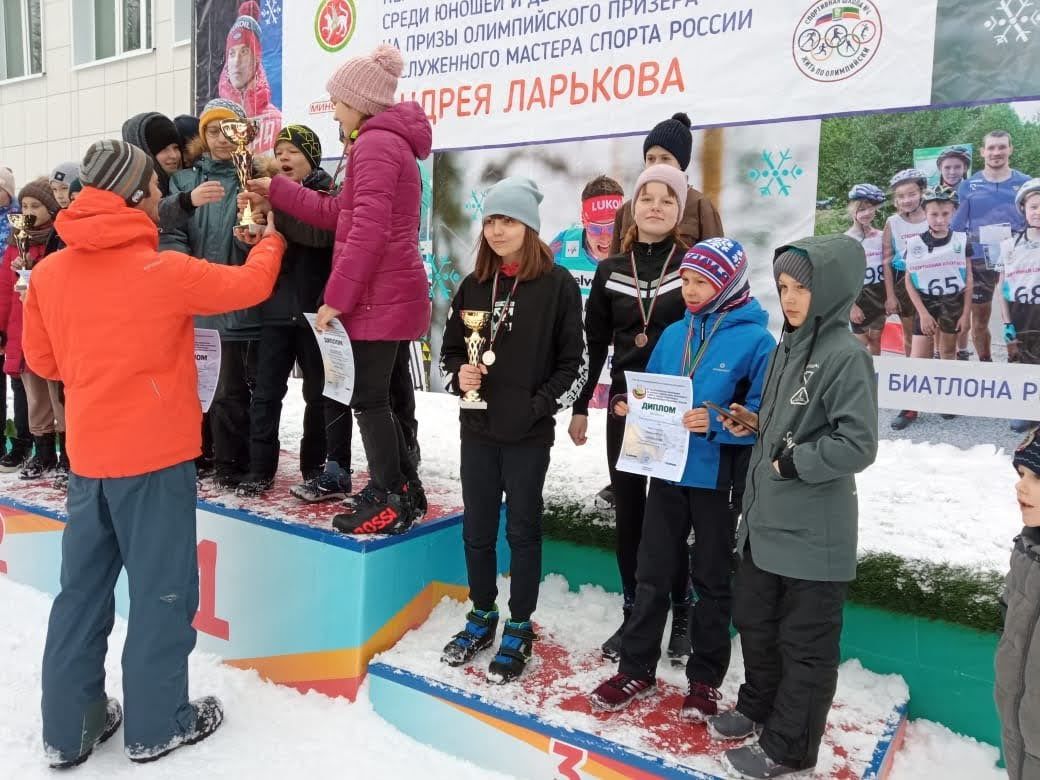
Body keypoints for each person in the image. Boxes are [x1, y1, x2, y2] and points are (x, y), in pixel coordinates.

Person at [24, 139, 285, 767]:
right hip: (155, 460)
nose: (164, 196)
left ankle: (70, 728)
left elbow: (42, 361)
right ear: (136, 195)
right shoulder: (162, 271)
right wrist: (268, 238)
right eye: (156, 188)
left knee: (80, 594)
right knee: (163, 593)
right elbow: (250, 286)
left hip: (88, 460)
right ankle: (157, 723)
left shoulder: (52, 272)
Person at [707, 237, 879, 779]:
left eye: (802, 288)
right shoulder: (787, 346)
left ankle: (789, 747)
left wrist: (792, 462)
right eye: (783, 288)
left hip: (812, 536)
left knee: (804, 646)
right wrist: (754, 425)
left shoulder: (846, 356)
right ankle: (758, 706)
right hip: (763, 523)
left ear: (828, 289)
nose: (791, 299)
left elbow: (858, 445)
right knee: (755, 623)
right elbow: (789, 426)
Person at [246, 43, 432, 533]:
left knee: (369, 399)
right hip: (386, 290)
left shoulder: (374, 144)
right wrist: (279, 190)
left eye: (338, 102)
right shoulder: (380, 143)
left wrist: (337, 298)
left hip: (378, 293)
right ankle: (404, 490)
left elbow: (366, 232)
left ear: (360, 102)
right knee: (379, 399)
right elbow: (337, 215)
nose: (335, 110)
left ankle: (388, 497)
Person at [588, 238, 774, 722]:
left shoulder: (758, 342)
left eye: (701, 282)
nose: (690, 290)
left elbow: (760, 417)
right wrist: (634, 409)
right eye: (687, 280)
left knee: (712, 580)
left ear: (728, 283)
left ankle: (705, 680)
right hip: (665, 470)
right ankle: (637, 669)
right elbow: (653, 391)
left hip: (716, 477)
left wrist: (714, 422)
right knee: (652, 573)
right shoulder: (674, 333)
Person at [438, 176, 585, 684]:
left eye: (508, 221)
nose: (497, 230)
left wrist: (538, 406)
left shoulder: (559, 285)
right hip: (476, 428)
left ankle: (520, 624)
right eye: (491, 221)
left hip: (527, 435)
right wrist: (460, 374)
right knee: (476, 530)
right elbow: (449, 353)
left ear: (530, 227)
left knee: (522, 531)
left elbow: (576, 366)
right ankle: (482, 614)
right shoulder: (474, 284)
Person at [569, 164, 692, 663]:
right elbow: (594, 344)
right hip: (624, 408)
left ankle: (681, 612)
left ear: (679, 209)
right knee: (630, 516)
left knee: (671, 515)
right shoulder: (610, 270)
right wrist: (580, 407)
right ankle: (634, 611)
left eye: (667, 199)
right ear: (632, 207)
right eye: (647, 198)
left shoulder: (691, 265)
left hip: (677, 414)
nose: (655, 206)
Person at [161, 98, 263, 487]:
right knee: (195, 386)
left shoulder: (253, 180)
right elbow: (171, 232)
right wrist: (185, 271)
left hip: (240, 303)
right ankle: (197, 454)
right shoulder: (185, 182)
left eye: (230, 130)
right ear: (203, 136)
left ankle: (232, 464)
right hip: (195, 302)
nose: (222, 139)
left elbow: (265, 237)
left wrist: (249, 242)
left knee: (233, 391)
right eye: (214, 131)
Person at [237, 124, 336, 497]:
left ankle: (314, 467)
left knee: (319, 395)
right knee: (265, 394)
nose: (284, 159)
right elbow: (270, 247)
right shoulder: (271, 198)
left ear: (311, 155)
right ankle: (260, 469)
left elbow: (322, 235)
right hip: (276, 308)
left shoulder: (327, 193)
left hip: (316, 311)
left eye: (292, 151)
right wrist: (255, 234)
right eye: (278, 154)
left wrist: (277, 219)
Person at [552, 174, 624, 506]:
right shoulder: (562, 246)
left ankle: (621, 483)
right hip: (574, 354)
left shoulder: (635, 249)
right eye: (596, 229)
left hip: (617, 356)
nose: (605, 238)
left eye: (612, 228)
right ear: (583, 221)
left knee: (622, 416)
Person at [0, 179, 67, 486]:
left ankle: (67, 453)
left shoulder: (59, 239)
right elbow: (4, 289)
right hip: (22, 330)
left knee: (58, 395)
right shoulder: (16, 241)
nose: (28, 212)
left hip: (51, 330)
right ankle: (43, 451)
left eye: (36, 206)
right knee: (34, 394)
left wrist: (34, 267)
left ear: (50, 208)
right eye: (24, 206)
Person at [894, 186, 972, 430]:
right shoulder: (915, 243)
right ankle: (911, 406)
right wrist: (923, 313)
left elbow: (969, 279)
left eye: (945, 214)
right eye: (934, 214)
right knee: (919, 357)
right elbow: (908, 279)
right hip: (926, 303)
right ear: (926, 214)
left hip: (952, 302)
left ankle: (945, 399)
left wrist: (966, 312)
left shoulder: (961, 240)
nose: (940, 219)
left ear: (953, 213)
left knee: (948, 353)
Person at [952, 130, 1031, 362]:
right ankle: (986, 364)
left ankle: (1017, 362)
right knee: (980, 320)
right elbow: (957, 228)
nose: (996, 152)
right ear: (982, 152)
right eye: (991, 148)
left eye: (1001, 147)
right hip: (979, 260)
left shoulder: (1026, 182)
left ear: (1010, 149)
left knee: (1018, 316)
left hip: (1017, 258)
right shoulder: (967, 186)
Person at [609, 112, 724, 254]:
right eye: (650, 159)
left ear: (681, 163)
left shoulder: (700, 205)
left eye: (665, 158)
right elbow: (612, 265)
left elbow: (716, 264)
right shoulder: (627, 209)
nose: (657, 164)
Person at [995, 426, 1040, 780]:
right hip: (1019, 732)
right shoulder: (1027, 550)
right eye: (1022, 474)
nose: (1021, 486)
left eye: (1037, 478)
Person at [122, 111, 224, 232]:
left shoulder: (186, 182)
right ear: (146, 152)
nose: (173, 155)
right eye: (164, 149)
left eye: (176, 148)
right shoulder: (132, 195)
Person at [882, 168, 929, 430]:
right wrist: (890, 295)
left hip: (935, 282)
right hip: (905, 282)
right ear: (895, 199)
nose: (907, 200)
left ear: (921, 192)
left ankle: (945, 397)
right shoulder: (893, 222)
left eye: (912, 194)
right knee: (911, 342)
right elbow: (887, 261)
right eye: (901, 196)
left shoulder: (933, 213)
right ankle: (911, 404)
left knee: (943, 343)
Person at [999, 178, 1040, 433]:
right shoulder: (1009, 245)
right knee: (1026, 362)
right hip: (1022, 311)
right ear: (1024, 209)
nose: (1039, 212)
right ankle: (1028, 409)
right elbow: (1003, 285)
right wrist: (1006, 321)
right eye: (1034, 206)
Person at [219, 1, 281, 153]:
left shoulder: (276, 120)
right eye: (232, 53)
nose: (237, 61)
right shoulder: (214, 120)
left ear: (257, 58)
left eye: (244, 51)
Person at [0, 165, 31, 471]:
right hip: (8, 310)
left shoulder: (17, 229)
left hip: (20, 312)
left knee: (26, 383)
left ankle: (30, 443)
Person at [845, 183, 887, 355]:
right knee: (860, 343)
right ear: (852, 210)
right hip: (859, 296)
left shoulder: (882, 236)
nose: (867, 213)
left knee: (876, 340)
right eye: (861, 209)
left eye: (871, 208)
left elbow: (887, 268)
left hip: (878, 294)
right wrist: (852, 306)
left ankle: (876, 376)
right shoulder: (846, 239)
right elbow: (843, 278)